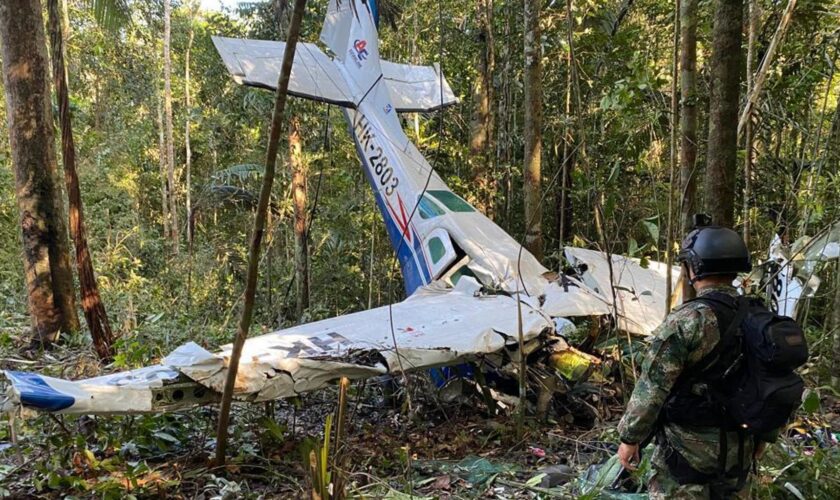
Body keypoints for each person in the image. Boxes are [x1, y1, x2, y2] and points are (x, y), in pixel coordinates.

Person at [615, 223, 776, 499]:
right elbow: (774, 379)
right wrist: (765, 436)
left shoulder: (689, 320)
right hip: (740, 452)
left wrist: (630, 438)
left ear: (694, 268)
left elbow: (651, 388)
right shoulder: (759, 317)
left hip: (686, 454)